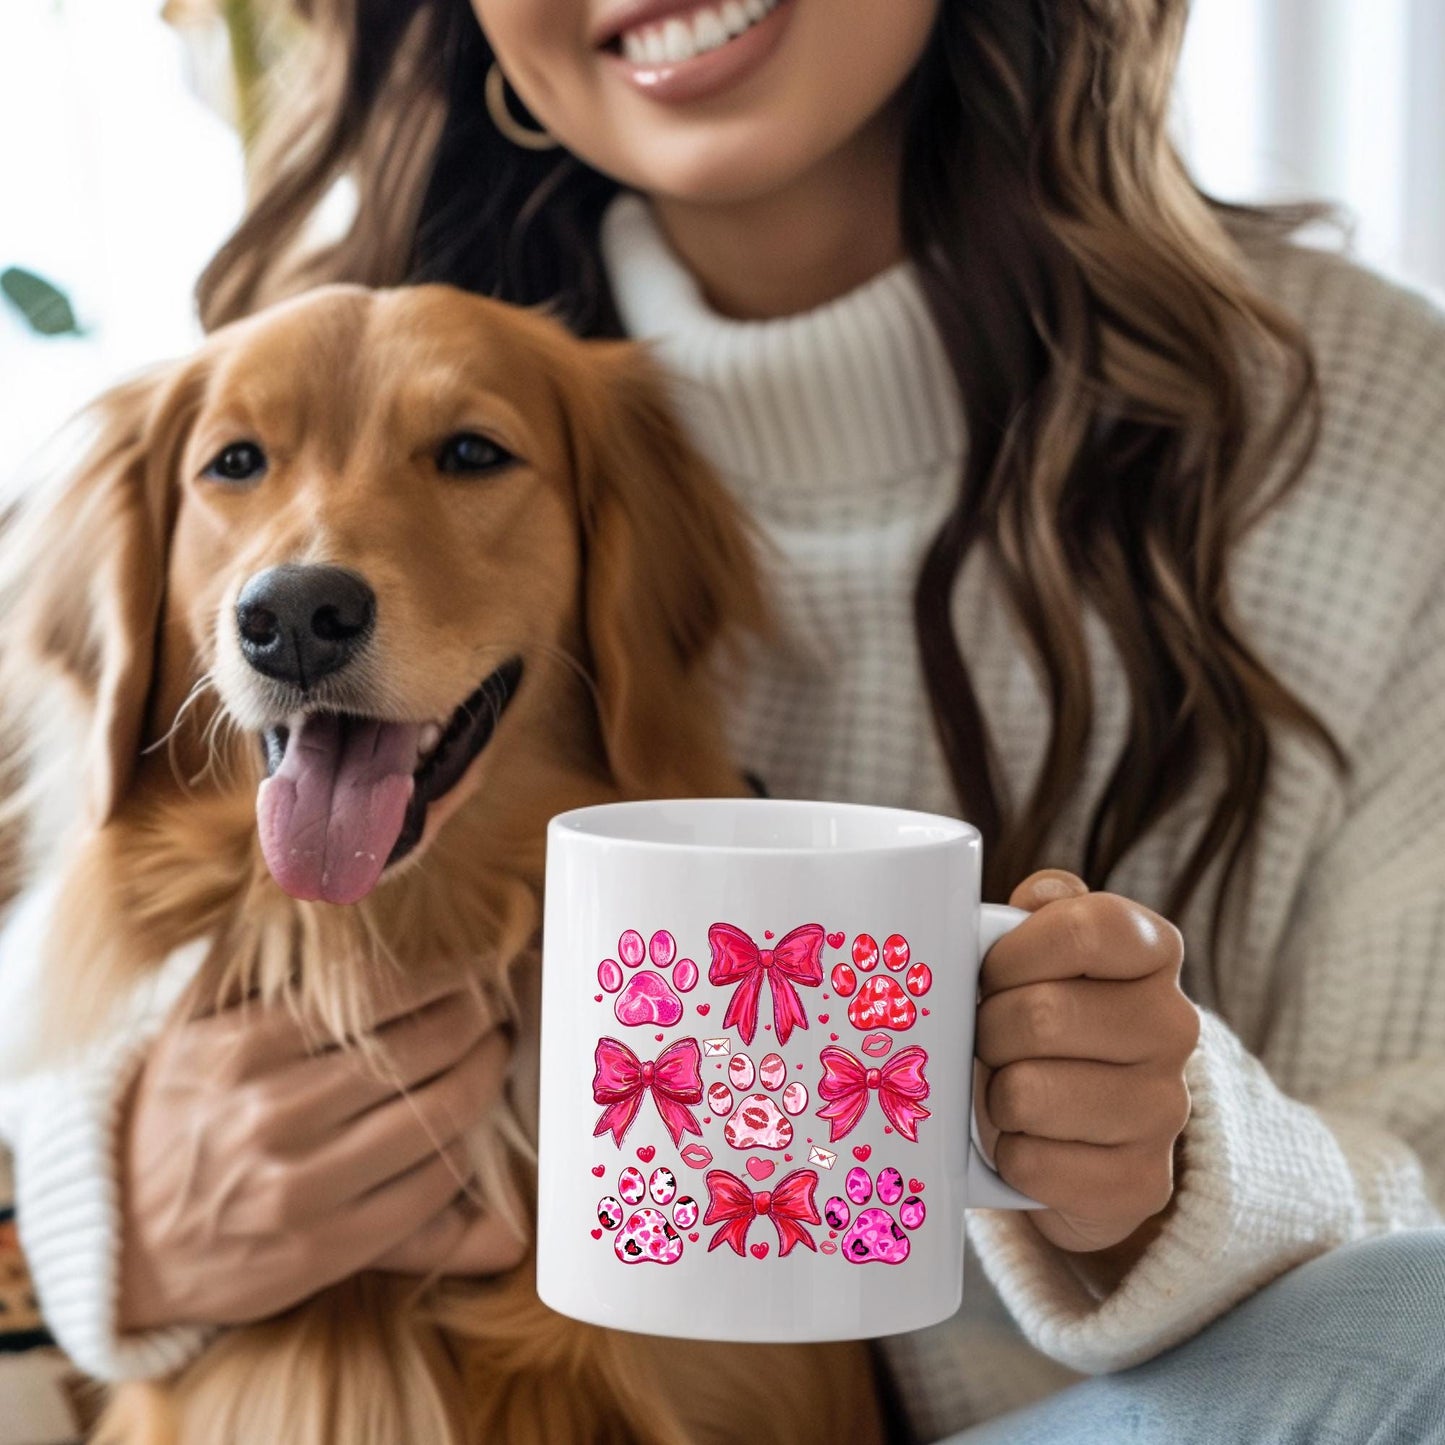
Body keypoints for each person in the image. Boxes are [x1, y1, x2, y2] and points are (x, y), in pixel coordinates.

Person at [2, 1, 1443, 1440]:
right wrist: (106, 1191)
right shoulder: (352, 309)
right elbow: (101, 886)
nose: (306, 569)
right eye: (239, 465)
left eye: (465, 455)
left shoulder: (1373, 418)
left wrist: (1173, 1162)